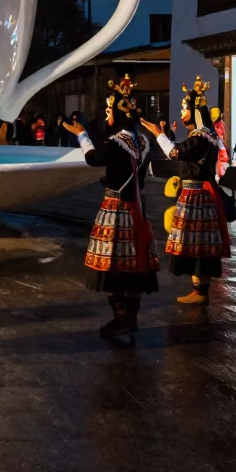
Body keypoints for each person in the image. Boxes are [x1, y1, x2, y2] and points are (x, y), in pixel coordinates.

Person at [64, 75, 159, 342]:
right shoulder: (143, 143)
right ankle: (131, 318)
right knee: (135, 263)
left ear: (116, 113)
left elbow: (93, 158)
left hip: (116, 209)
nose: (106, 115)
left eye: (108, 110)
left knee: (114, 266)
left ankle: (121, 319)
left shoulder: (116, 144)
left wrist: (81, 134)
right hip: (138, 208)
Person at [142, 76, 231, 307]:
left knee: (198, 244)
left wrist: (158, 134)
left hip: (198, 197)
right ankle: (198, 290)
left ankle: (200, 292)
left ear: (195, 111)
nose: (182, 112)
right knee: (199, 244)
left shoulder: (201, 137)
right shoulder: (205, 137)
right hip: (198, 193)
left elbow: (175, 153)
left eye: (185, 108)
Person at [210, 105, 230, 181]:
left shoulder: (219, 124)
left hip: (218, 146)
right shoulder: (219, 124)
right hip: (217, 146)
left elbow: (222, 136)